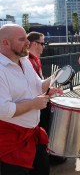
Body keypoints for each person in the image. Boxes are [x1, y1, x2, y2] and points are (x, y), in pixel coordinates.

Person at [0, 24, 62, 175]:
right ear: (5, 42)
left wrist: (52, 82)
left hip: (33, 135)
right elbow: (3, 110)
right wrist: (33, 104)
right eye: (22, 39)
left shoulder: (25, 61)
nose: (28, 43)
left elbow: (37, 86)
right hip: (11, 143)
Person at [27, 31, 66, 165]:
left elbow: (38, 84)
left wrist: (51, 91)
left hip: (40, 101)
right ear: (34, 44)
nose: (44, 47)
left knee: (47, 127)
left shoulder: (35, 59)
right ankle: (47, 157)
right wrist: (54, 77)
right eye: (42, 43)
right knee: (44, 129)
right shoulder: (28, 61)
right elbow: (32, 87)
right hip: (35, 104)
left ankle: (50, 155)